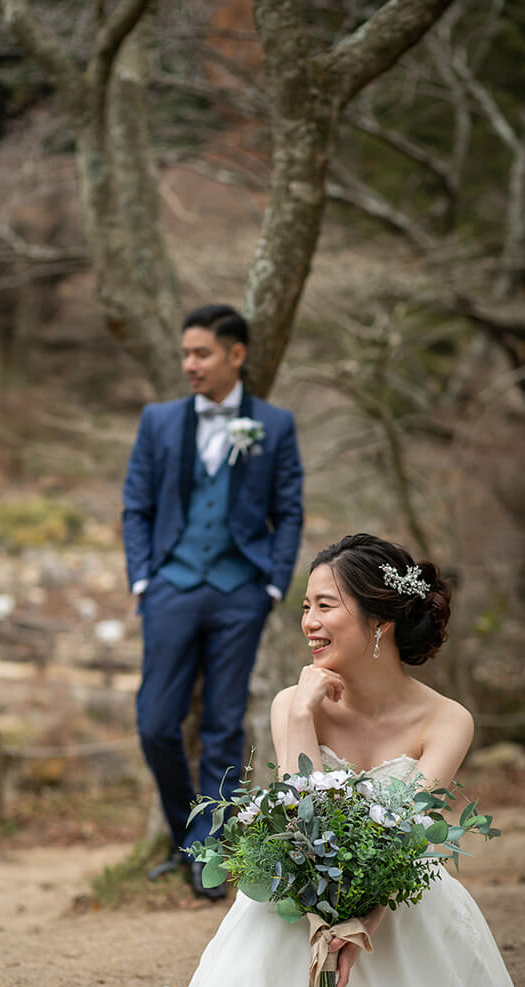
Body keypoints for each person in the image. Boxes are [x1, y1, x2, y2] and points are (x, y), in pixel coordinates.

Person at [120, 533, 518, 987]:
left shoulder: (448, 721)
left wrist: (357, 928)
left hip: (400, 904)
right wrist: (303, 716)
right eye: (306, 607)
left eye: (325, 606)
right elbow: (297, 829)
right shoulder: (292, 704)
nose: (309, 622)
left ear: (380, 622)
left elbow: (409, 843)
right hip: (296, 904)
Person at [122, 304, 304, 898]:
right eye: (185, 354)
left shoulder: (274, 426)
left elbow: (289, 508)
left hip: (240, 594)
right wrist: (144, 580)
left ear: (236, 354)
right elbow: (137, 506)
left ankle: (212, 859)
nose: (189, 365)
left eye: (200, 353)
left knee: (225, 726)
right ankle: (186, 837)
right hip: (170, 587)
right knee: (155, 724)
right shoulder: (158, 420)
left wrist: (273, 584)